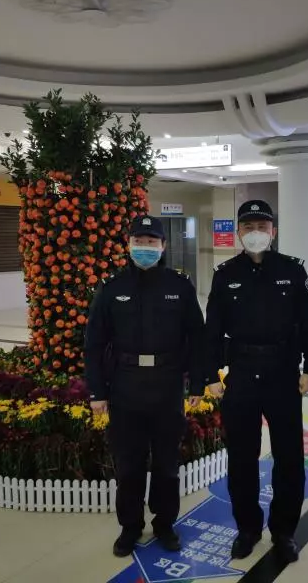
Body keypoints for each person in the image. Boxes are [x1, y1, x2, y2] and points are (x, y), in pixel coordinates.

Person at [204, 200, 308, 563]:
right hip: (241, 373)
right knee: (242, 457)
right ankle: (248, 529)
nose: (255, 232)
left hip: (283, 373)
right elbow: (212, 330)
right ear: (238, 232)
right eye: (249, 226)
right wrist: (211, 375)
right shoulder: (225, 274)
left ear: (273, 231)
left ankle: (284, 532)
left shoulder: (292, 270)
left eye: (262, 226)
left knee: (289, 457)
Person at [85, 215, 205, 557]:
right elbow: (94, 343)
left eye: (152, 242)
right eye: (139, 241)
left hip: (167, 386)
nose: (145, 247)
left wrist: (197, 383)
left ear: (163, 246)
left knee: (167, 464)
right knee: (129, 464)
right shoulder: (112, 288)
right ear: (128, 244)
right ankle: (130, 526)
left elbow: (197, 337)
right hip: (125, 387)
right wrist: (97, 391)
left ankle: (165, 524)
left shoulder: (179, 286)